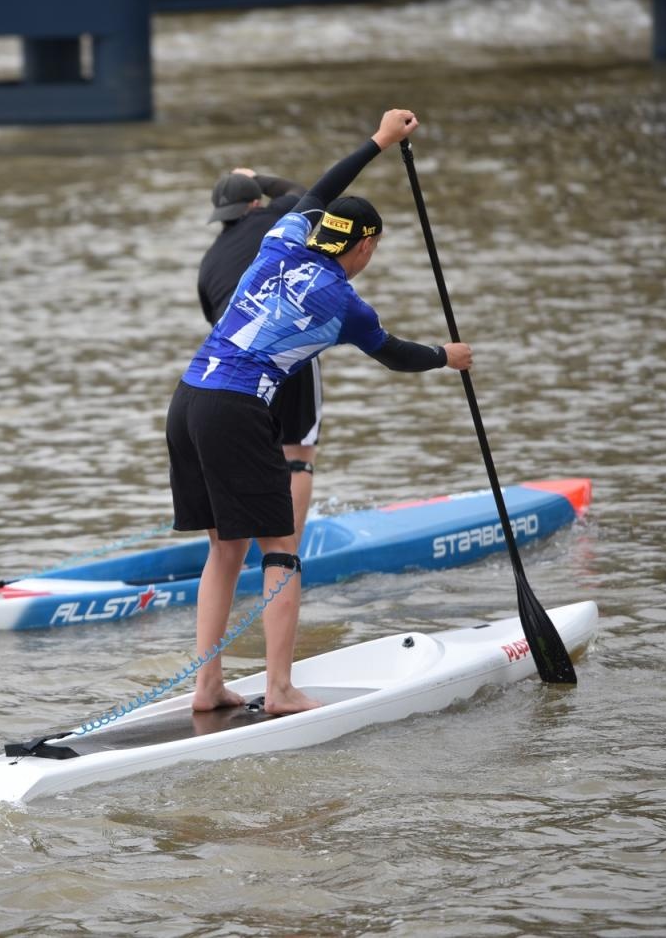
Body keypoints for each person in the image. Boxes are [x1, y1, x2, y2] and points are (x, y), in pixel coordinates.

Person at [166, 108, 472, 715]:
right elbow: (396, 355)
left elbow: (320, 190)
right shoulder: (343, 303)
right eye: (374, 246)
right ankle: (279, 691)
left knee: (224, 549)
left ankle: (206, 687)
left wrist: (379, 142)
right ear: (365, 244)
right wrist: (447, 355)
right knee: (280, 550)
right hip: (236, 409)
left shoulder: (281, 240)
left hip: (188, 399)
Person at [198, 167, 321, 547]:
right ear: (255, 204)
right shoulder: (273, 219)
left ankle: (240, 548)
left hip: (230, 371)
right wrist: (260, 178)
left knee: (257, 453)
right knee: (297, 455)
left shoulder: (208, 263)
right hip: (288, 349)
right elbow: (304, 190)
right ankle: (288, 555)